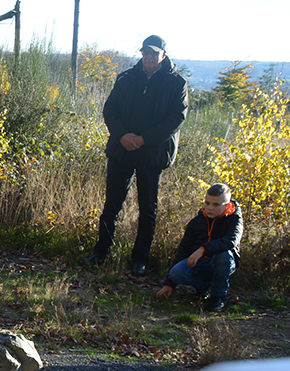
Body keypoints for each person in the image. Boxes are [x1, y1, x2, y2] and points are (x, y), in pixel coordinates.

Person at [82, 34, 188, 276]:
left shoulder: (176, 83)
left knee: (147, 209)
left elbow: (176, 118)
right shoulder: (127, 78)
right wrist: (123, 136)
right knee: (112, 204)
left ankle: (140, 260)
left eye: (153, 52)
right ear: (141, 54)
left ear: (163, 54)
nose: (149, 56)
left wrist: (143, 139)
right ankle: (100, 254)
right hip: (122, 150)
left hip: (152, 153)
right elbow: (110, 109)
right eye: (145, 52)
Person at [156, 183, 242, 312]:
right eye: (207, 203)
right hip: (200, 264)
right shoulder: (197, 221)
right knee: (176, 273)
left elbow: (230, 241)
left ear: (227, 205)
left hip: (222, 263)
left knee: (222, 254)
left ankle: (218, 296)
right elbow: (183, 249)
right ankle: (203, 287)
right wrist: (170, 283)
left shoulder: (234, 220)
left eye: (216, 205)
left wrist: (203, 249)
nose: (210, 208)